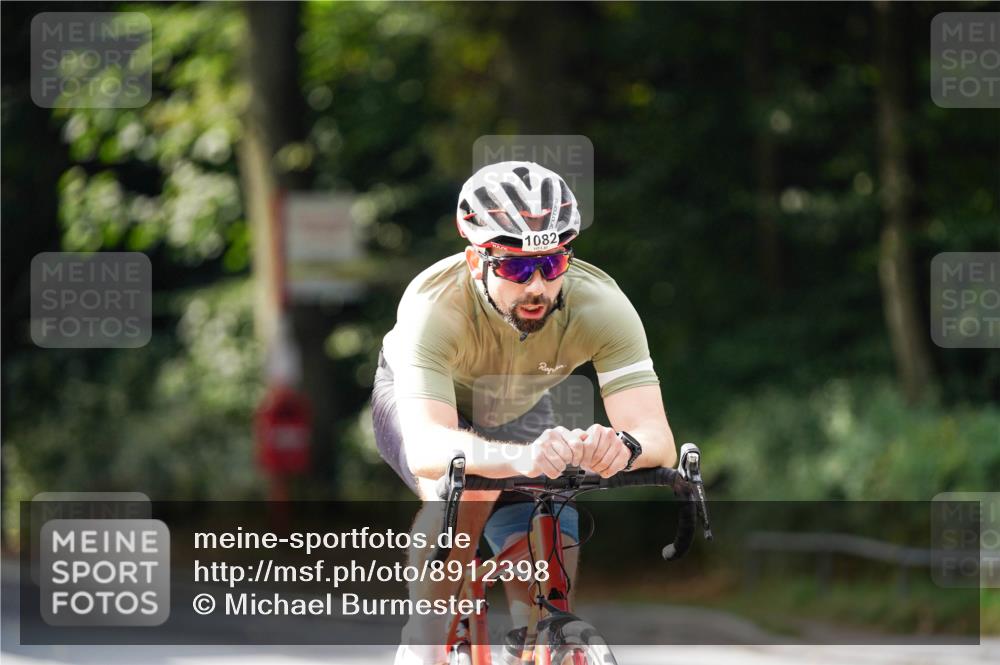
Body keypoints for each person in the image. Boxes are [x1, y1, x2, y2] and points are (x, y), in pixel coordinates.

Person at [372, 160, 678, 664]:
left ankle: (534, 641)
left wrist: (619, 447)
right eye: (515, 267)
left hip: (517, 403)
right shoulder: (435, 308)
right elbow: (429, 446)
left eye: (553, 264)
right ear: (476, 261)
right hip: (427, 404)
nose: (537, 286)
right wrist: (518, 461)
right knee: (465, 490)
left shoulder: (601, 305)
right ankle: (422, 641)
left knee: (551, 508)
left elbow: (655, 435)